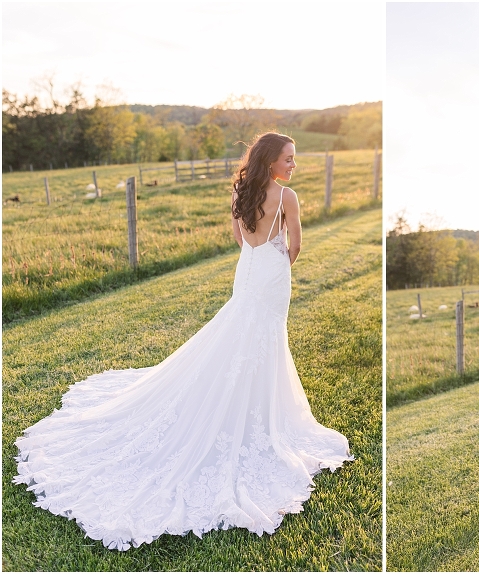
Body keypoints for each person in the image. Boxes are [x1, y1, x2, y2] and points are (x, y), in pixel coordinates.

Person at [14, 132, 353, 551]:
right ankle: (253, 411)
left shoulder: (241, 193)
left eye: (294, 160)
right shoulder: (288, 198)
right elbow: (296, 244)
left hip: (247, 270)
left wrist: (257, 258)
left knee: (239, 332)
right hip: (272, 274)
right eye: (288, 158)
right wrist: (278, 265)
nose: (293, 165)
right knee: (260, 338)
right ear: (271, 161)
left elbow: (239, 236)